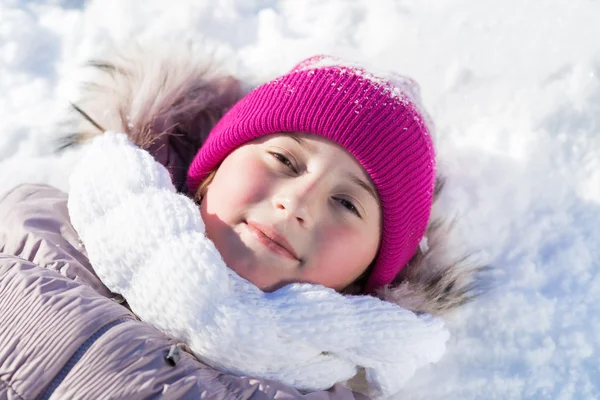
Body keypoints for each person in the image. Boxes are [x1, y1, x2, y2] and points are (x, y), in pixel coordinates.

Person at [0, 47, 483, 399]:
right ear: (211, 171)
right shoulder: (37, 229)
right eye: (284, 159)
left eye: (347, 203)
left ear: (365, 275)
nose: (298, 203)